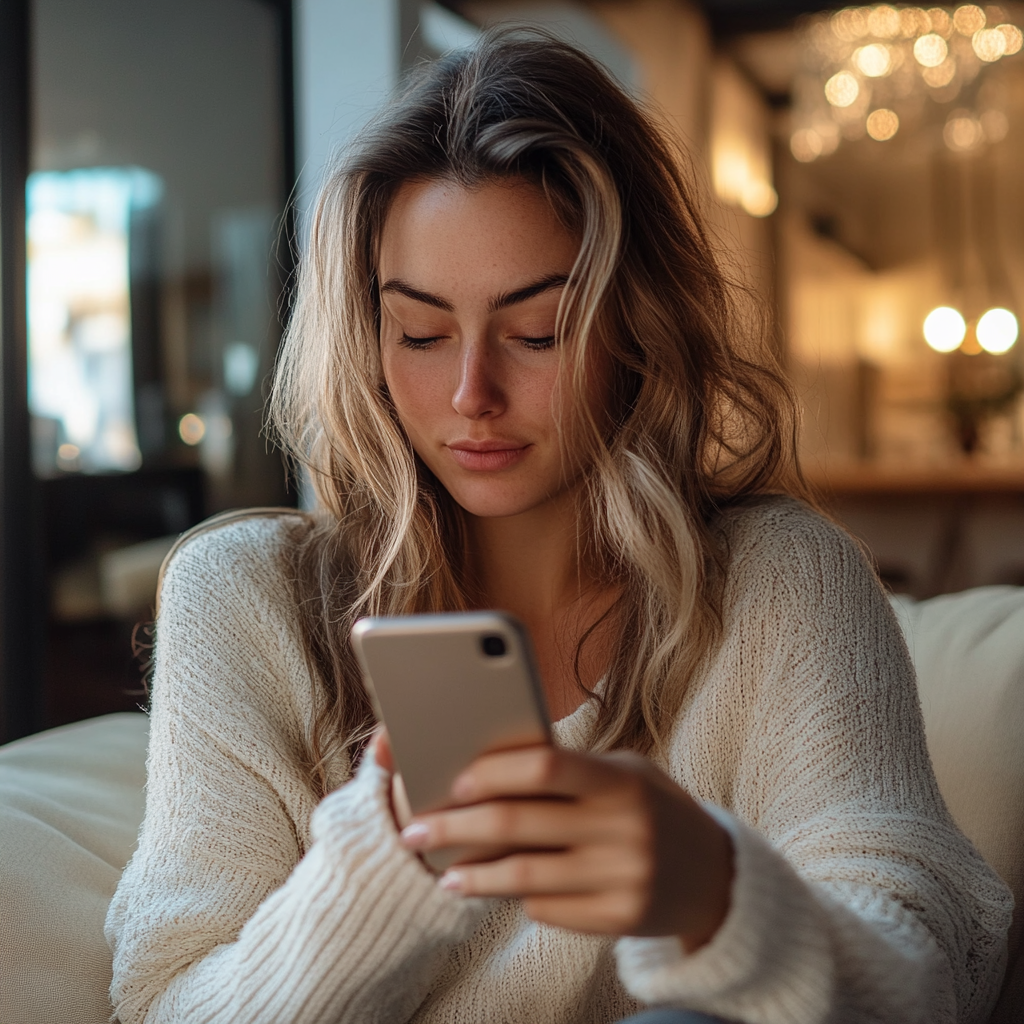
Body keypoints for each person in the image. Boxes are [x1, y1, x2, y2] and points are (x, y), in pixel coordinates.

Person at [105, 29, 1012, 1024]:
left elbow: (932, 971)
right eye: (420, 332)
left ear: (635, 323)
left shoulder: (780, 580)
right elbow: (172, 1006)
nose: (470, 393)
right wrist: (394, 860)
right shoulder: (244, 599)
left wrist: (714, 895)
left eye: (537, 332)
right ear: (367, 340)